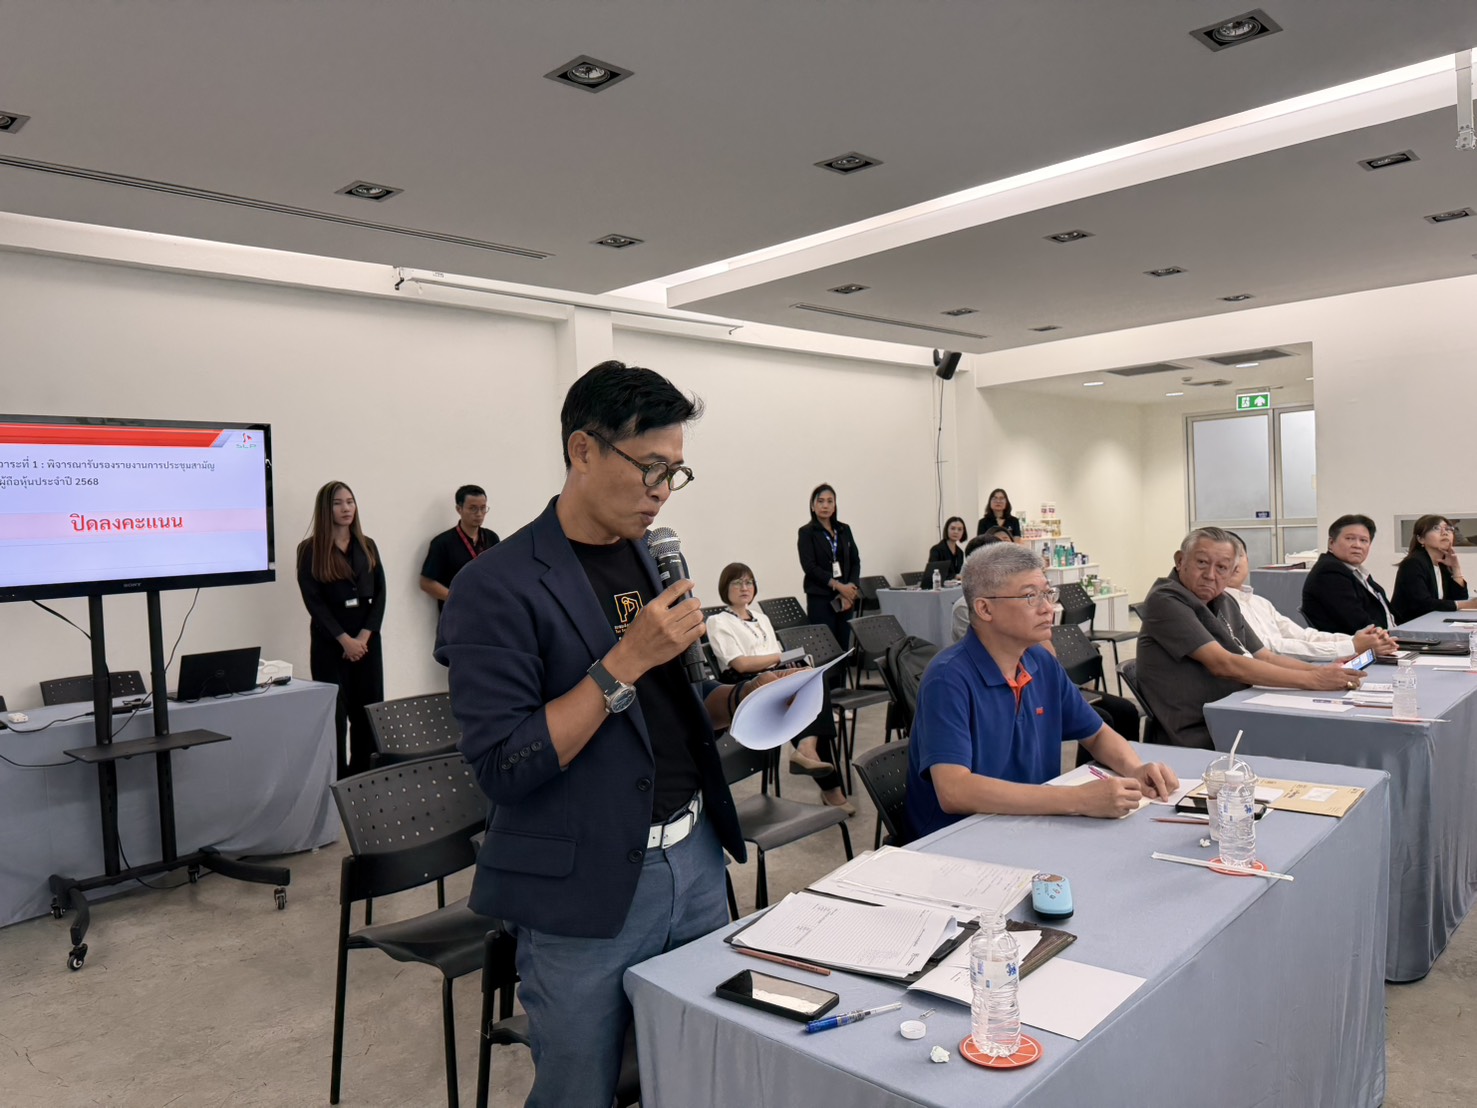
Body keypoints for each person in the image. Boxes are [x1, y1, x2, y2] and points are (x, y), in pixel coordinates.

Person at [436, 360, 763, 1108]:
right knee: (581, 1088)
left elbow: (671, 704)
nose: (660, 491)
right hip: (587, 884)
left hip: (695, 857)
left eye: (674, 473)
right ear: (582, 450)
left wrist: (737, 701)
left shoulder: (649, 557)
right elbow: (505, 765)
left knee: (697, 1070)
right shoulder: (496, 585)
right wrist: (625, 661)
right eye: (650, 468)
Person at [905, 543, 1178, 839]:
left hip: (1033, 824)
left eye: (1048, 594)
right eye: (1029, 596)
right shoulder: (948, 678)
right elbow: (954, 790)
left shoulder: (1040, 662)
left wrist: (1135, 769)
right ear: (984, 608)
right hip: (962, 838)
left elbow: (1097, 734)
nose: (1048, 608)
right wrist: (1079, 799)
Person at [1136, 527, 1365, 749]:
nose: (1210, 575)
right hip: (1200, 728)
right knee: (1315, 738)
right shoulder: (1166, 600)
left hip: (1239, 710)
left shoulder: (1225, 601)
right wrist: (1314, 679)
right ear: (1180, 560)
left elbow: (1264, 656)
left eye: (1222, 567)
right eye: (1202, 563)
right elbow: (1223, 664)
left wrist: (1320, 672)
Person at [706, 562, 853, 814]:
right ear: (725, 588)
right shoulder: (718, 621)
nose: (744, 587)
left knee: (812, 679)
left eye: (749, 582)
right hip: (744, 684)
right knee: (804, 700)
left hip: (773, 676)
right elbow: (740, 663)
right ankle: (825, 779)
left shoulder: (761, 618)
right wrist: (778, 658)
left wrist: (785, 662)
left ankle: (807, 749)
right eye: (737, 583)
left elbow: (777, 657)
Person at [296, 481, 386, 779]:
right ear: (326, 509)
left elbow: (381, 594)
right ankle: (337, 782)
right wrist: (345, 640)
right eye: (338, 503)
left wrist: (363, 637)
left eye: (350, 501)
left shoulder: (367, 545)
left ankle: (365, 779)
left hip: (367, 641)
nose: (346, 508)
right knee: (335, 715)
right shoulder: (310, 550)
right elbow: (314, 602)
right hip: (331, 643)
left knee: (368, 714)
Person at [1225, 534, 1397, 660]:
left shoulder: (1260, 602)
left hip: (1299, 666)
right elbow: (1270, 647)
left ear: (1248, 559)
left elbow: (1303, 636)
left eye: (1239, 555)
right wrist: (1351, 646)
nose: (1233, 563)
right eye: (1225, 559)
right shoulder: (1221, 607)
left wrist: (1360, 640)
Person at [797, 483, 861, 667]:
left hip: (845, 598)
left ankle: (842, 683)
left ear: (835, 505)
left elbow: (855, 560)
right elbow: (810, 567)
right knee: (825, 650)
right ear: (812, 506)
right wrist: (838, 586)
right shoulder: (807, 532)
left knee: (843, 648)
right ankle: (826, 685)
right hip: (821, 598)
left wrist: (850, 588)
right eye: (820, 501)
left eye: (830, 501)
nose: (825, 505)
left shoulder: (844, 530)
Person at [1301, 515, 1396, 634]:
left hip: (1391, 636)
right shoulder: (1329, 572)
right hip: (1364, 642)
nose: (1357, 545)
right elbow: (1359, 624)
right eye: (1350, 538)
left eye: (1364, 540)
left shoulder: (1357, 572)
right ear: (1331, 543)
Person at [418, 483, 500, 611]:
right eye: (473, 508)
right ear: (459, 509)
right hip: (457, 613)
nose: (479, 514)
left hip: (487, 610)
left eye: (483, 508)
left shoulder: (492, 538)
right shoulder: (442, 542)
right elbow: (426, 583)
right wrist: (459, 598)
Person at [1391, 514, 1477, 623]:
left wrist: (1456, 568)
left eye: (1448, 529)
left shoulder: (1442, 564)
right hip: (1410, 625)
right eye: (1436, 528)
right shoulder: (1413, 563)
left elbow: (1459, 597)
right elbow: (1423, 603)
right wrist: (1467, 605)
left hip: (1432, 622)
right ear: (1421, 539)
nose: (1444, 532)